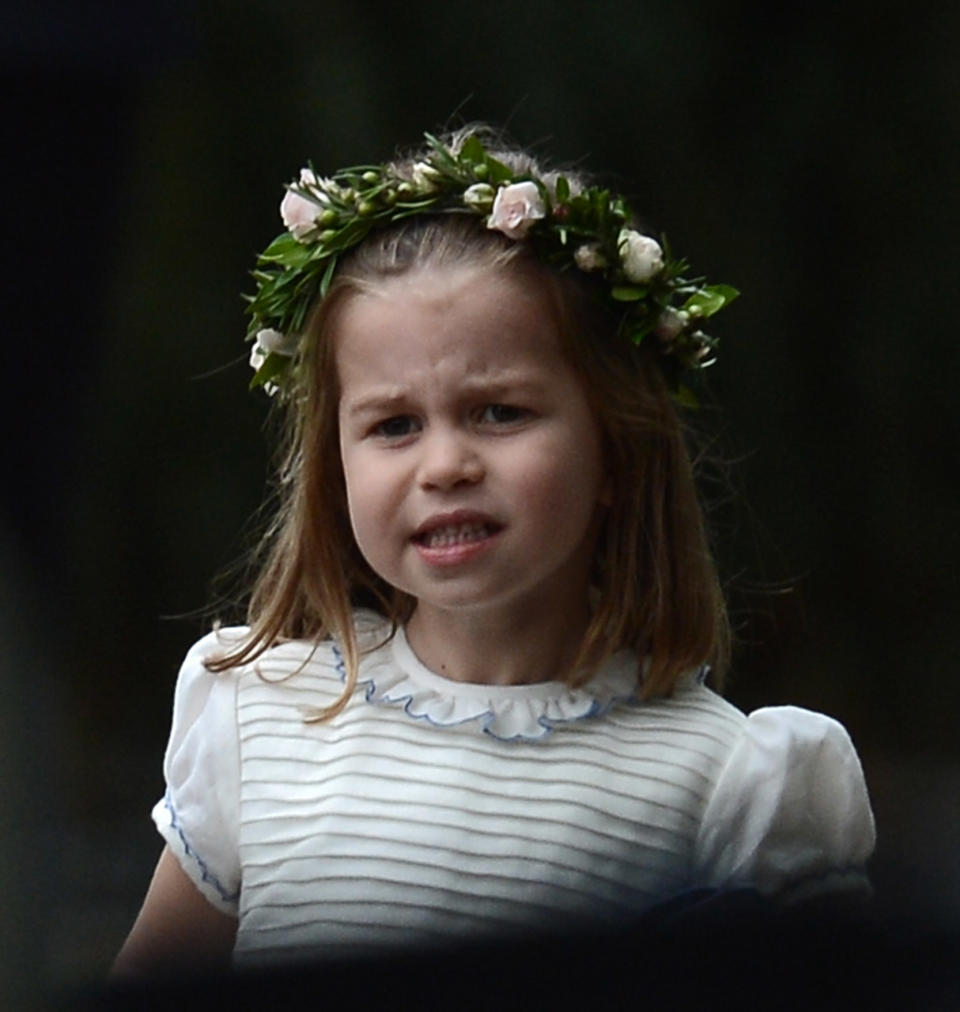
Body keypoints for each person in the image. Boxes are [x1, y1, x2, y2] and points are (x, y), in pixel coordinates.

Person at [112, 126, 875, 977]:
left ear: (618, 449)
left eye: (499, 412)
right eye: (394, 425)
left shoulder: (726, 782)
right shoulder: (262, 720)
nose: (446, 466)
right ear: (335, 467)